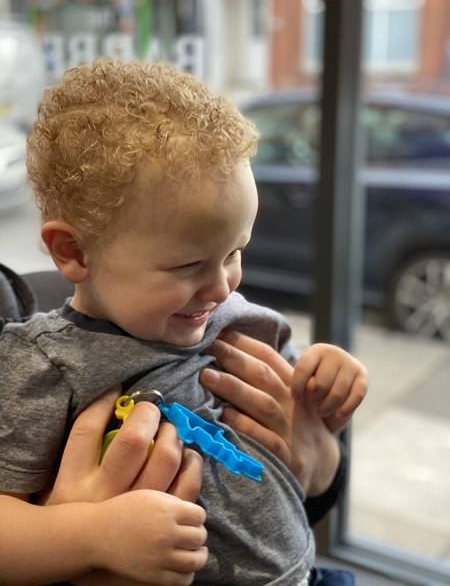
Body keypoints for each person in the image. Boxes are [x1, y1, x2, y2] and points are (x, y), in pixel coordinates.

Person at [0, 59, 367, 585]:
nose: (222, 287)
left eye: (235, 252)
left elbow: (299, 430)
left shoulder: (232, 321)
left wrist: (325, 378)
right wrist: (90, 536)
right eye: (188, 266)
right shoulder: (45, 367)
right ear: (73, 251)